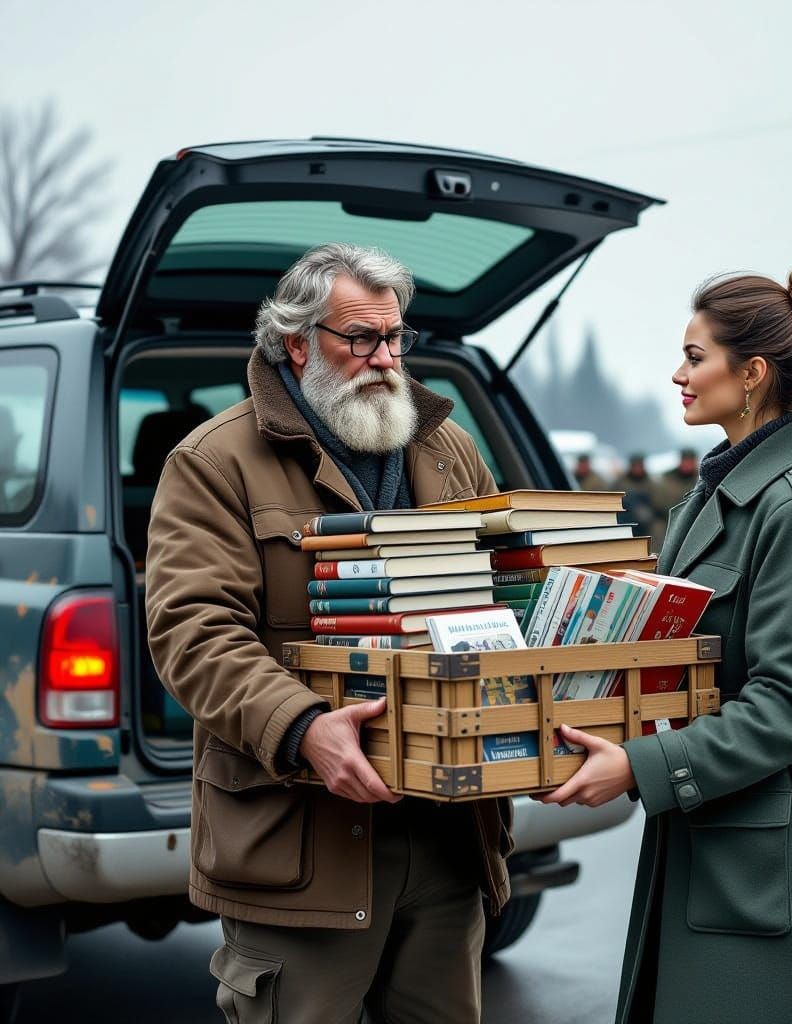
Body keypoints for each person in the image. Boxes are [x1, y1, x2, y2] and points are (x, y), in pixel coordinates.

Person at [146, 243, 511, 1024]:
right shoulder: (214, 461)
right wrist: (304, 726)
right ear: (297, 342)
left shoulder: (448, 449)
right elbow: (192, 631)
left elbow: (504, 598)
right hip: (300, 842)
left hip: (448, 837)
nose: (386, 359)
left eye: (395, 337)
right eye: (361, 339)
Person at [540, 266, 792, 1023]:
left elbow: (788, 707)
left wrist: (637, 767)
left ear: (752, 374)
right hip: (707, 816)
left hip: (770, 834)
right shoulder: (711, 497)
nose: (678, 374)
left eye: (694, 356)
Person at [614, 452, 664, 548]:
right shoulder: (620, 483)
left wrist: (649, 512)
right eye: (635, 466)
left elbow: (658, 504)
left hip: (646, 523)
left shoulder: (651, 484)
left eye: (639, 466)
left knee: (658, 528)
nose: (637, 469)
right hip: (624, 519)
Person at [655, 446, 700, 512]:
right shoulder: (667, 480)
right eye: (685, 461)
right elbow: (658, 504)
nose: (688, 464)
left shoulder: (702, 480)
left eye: (690, 461)